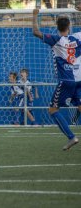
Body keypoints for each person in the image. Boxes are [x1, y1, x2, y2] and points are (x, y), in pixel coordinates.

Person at [32, 8, 79, 150]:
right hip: (76, 80)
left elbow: (36, 32)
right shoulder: (76, 39)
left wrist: (34, 16)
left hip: (65, 81)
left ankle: (72, 137)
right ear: (69, 26)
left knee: (52, 110)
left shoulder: (57, 40)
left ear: (57, 27)